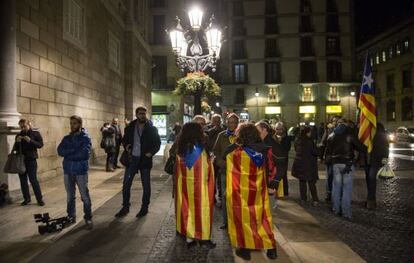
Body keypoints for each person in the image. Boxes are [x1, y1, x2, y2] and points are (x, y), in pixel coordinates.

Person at [224, 123, 277, 261]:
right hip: (260, 191)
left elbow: (225, 154)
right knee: (263, 219)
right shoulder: (265, 149)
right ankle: (271, 249)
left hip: (241, 192)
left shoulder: (236, 152)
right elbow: (272, 167)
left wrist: (237, 142)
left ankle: (245, 250)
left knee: (243, 219)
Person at [175, 122, 216, 248]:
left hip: (184, 187)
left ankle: (189, 237)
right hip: (201, 186)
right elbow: (205, 168)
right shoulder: (200, 150)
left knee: (187, 209)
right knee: (202, 210)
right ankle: (203, 237)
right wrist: (211, 161)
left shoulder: (181, 149)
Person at [115, 106, 161, 218]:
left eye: (144, 114)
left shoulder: (151, 128)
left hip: (145, 160)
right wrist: (127, 146)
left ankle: (144, 207)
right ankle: (125, 207)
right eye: (140, 113)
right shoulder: (130, 127)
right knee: (126, 185)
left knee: (146, 185)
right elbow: (124, 140)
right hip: (132, 159)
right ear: (136, 115)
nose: (142, 115)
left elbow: (157, 143)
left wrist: (151, 152)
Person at [57, 115, 93, 229]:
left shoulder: (85, 138)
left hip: (80, 171)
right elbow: (60, 151)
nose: (72, 125)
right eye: (71, 123)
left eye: (75, 123)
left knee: (84, 196)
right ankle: (71, 216)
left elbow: (84, 154)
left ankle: (88, 217)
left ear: (80, 124)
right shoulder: (66, 138)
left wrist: (68, 154)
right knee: (70, 196)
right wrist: (73, 150)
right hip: (68, 171)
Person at [325, 120, 366, 220]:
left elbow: (328, 151)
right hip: (348, 164)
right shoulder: (349, 135)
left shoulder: (331, 136)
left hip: (336, 164)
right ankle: (346, 212)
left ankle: (336, 209)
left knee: (336, 187)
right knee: (347, 189)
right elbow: (361, 148)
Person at [212, 113, 239, 229]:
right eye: (229, 122)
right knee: (224, 197)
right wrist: (219, 162)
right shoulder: (221, 135)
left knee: (237, 198)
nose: (231, 124)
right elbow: (215, 150)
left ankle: (236, 221)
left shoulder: (241, 136)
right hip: (224, 171)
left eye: (234, 122)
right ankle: (226, 221)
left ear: (237, 123)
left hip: (238, 173)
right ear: (226, 122)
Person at [14, 119, 45, 206]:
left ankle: (39, 199)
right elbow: (16, 149)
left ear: (29, 125)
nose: (23, 128)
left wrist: (30, 141)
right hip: (21, 161)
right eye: (21, 127)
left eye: (24, 126)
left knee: (33, 180)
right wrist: (17, 142)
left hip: (31, 160)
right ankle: (26, 199)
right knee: (23, 181)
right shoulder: (18, 135)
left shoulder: (35, 133)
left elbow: (40, 145)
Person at [291, 126, 319, 206]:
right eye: (309, 132)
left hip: (300, 164)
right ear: (307, 132)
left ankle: (303, 199)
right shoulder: (309, 141)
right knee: (311, 183)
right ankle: (315, 200)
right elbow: (315, 152)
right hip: (309, 165)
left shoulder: (297, 140)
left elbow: (297, 150)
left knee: (302, 182)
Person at [364, 123, 389, 210]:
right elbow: (386, 147)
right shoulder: (366, 128)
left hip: (373, 159)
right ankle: (370, 198)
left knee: (371, 178)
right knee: (369, 179)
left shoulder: (378, 131)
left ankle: (371, 200)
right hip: (369, 159)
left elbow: (385, 147)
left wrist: (385, 160)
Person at [319, 117, 339, 202]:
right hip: (330, 158)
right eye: (334, 121)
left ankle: (335, 194)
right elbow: (323, 143)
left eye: (337, 121)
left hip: (337, 158)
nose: (335, 123)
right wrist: (321, 156)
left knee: (336, 178)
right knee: (330, 177)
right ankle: (329, 194)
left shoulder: (341, 132)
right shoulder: (328, 131)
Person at [206, 114, 225, 205]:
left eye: (218, 121)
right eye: (215, 121)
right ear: (211, 121)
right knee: (212, 178)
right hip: (211, 158)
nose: (216, 123)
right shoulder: (208, 130)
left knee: (221, 180)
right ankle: (212, 196)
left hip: (221, 158)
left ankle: (221, 196)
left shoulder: (224, 130)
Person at [273, 122, 292, 196]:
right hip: (274, 160)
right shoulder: (273, 137)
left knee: (283, 176)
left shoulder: (286, 138)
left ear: (283, 130)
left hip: (283, 161)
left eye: (280, 129)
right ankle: (275, 191)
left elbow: (287, 149)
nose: (279, 131)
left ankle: (284, 192)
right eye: (277, 129)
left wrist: (280, 142)